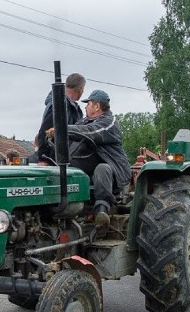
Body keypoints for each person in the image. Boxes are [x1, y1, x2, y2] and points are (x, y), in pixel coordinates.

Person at [48, 89, 132, 227]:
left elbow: (91, 132)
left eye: (88, 104)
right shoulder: (83, 122)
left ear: (97, 106)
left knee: (102, 168)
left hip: (111, 173)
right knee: (62, 169)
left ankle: (102, 209)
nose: (85, 107)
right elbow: (75, 132)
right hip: (85, 172)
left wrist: (62, 129)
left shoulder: (109, 122)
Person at [36, 72, 86, 165]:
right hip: (54, 158)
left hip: (65, 156)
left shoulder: (72, 107)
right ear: (80, 89)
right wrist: (44, 159)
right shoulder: (60, 104)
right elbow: (45, 131)